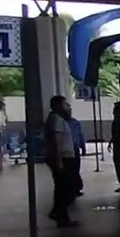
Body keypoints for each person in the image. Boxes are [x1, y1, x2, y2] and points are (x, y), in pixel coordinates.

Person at [45, 95, 79, 228]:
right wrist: (58, 160)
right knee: (65, 188)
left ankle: (59, 214)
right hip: (63, 158)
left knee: (62, 188)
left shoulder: (56, 119)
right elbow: (56, 141)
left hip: (63, 157)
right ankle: (60, 215)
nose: (68, 107)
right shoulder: (57, 120)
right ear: (58, 106)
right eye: (65, 104)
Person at [67, 115, 86, 197]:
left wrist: (83, 146)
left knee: (75, 169)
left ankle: (76, 188)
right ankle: (73, 189)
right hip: (67, 150)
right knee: (70, 170)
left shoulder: (75, 122)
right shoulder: (62, 123)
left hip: (75, 148)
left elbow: (80, 135)